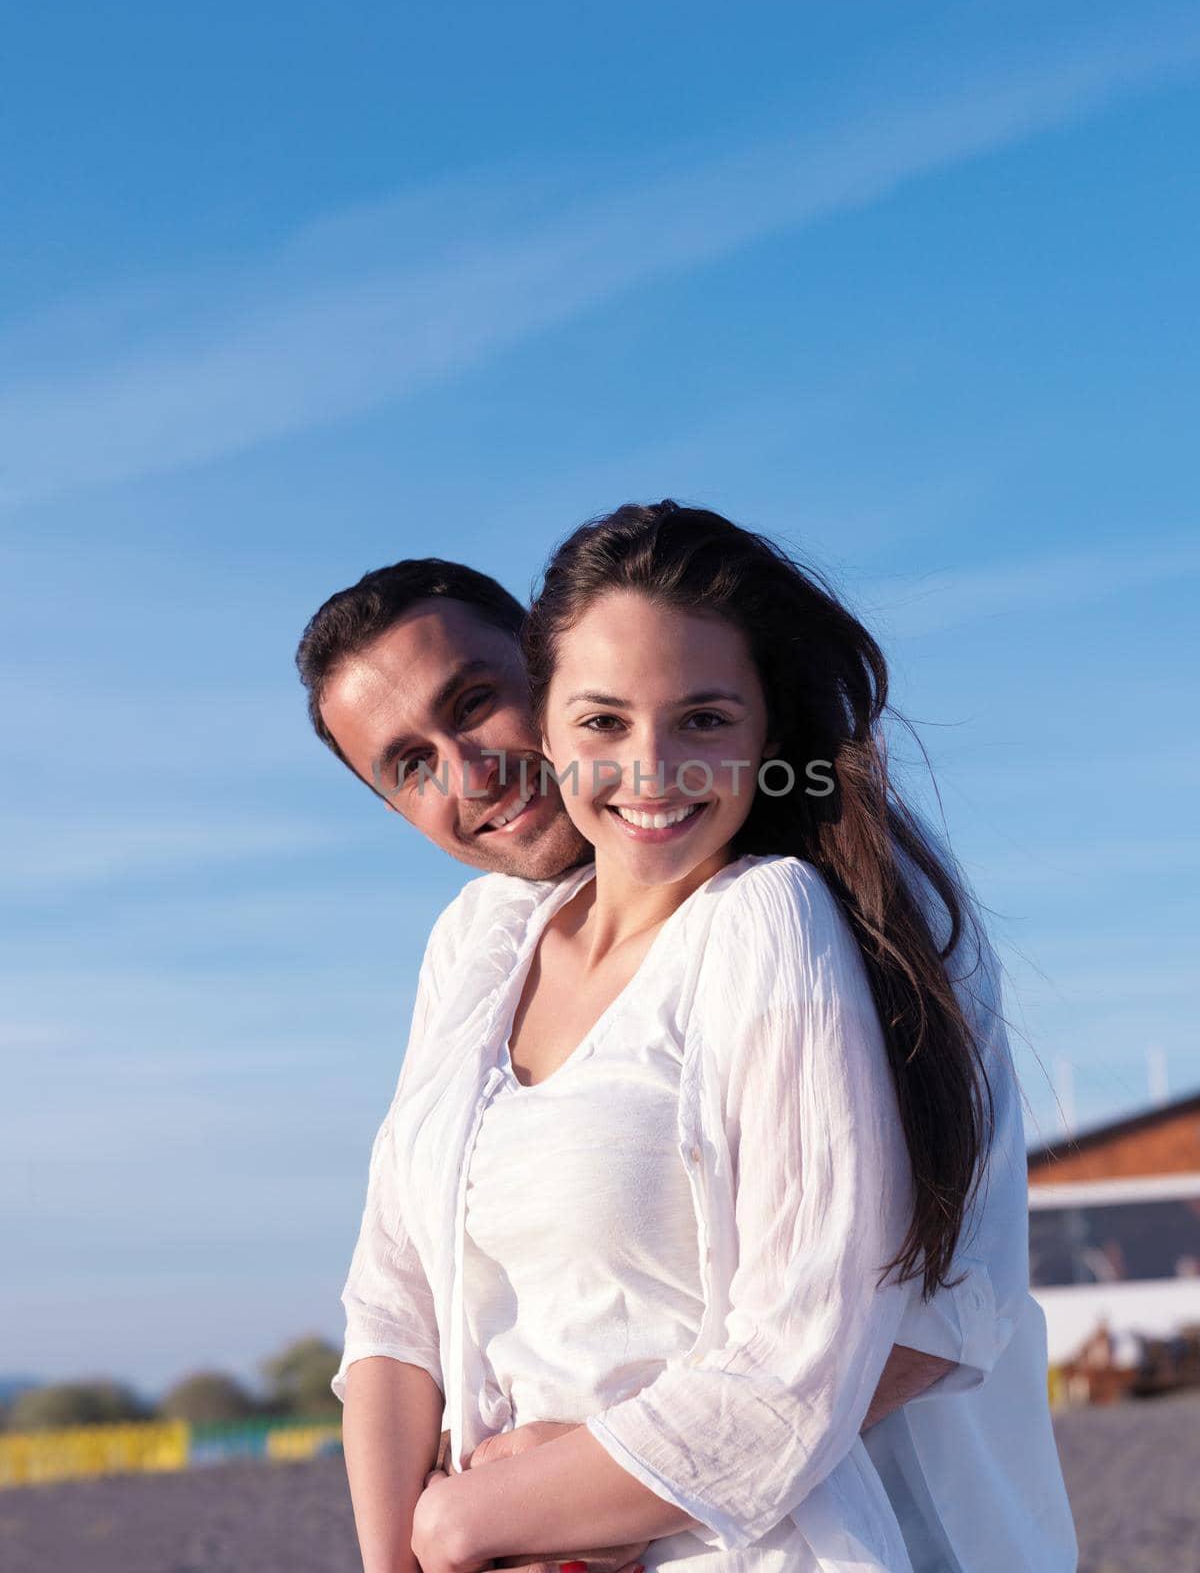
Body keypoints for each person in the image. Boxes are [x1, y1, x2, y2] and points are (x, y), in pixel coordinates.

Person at [296, 507, 1076, 1573]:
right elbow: (398, 1298)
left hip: (900, 1529)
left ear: (547, 661)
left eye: (475, 702)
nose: (469, 772)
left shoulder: (851, 906)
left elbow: (929, 1315)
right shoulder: (480, 942)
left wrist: (580, 1494)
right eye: (409, 764)